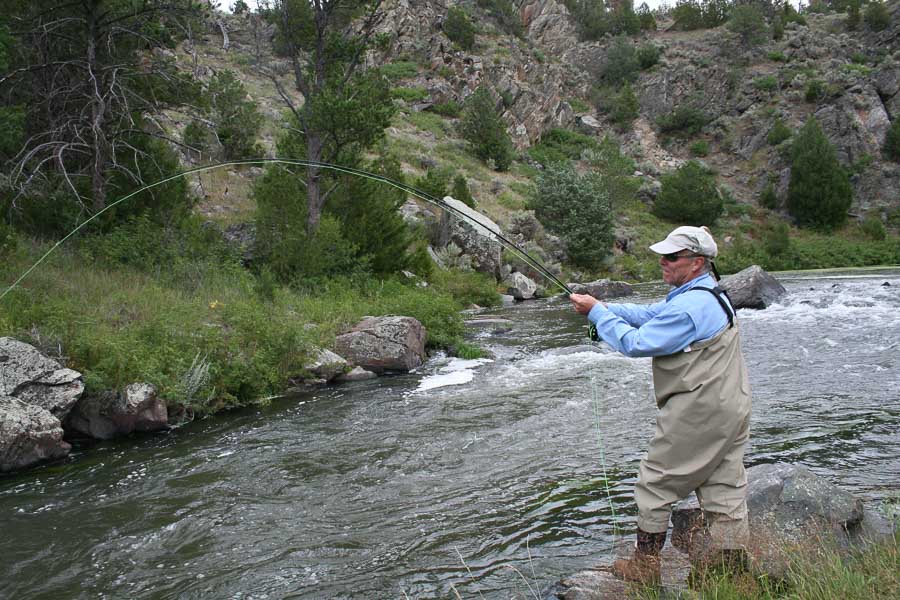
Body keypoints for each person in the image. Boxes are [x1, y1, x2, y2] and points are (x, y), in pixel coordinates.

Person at [569, 225, 752, 584]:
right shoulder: (707, 293)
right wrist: (604, 307)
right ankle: (732, 570)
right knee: (724, 485)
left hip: (698, 411)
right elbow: (653, 313)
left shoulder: (689, 309)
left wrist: (597, 316)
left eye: (671, 257)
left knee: (655, 483)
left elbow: (637, 343)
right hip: (731, 406)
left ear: (697, 262)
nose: (662, 263)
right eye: (661, 256)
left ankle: (644, 566)